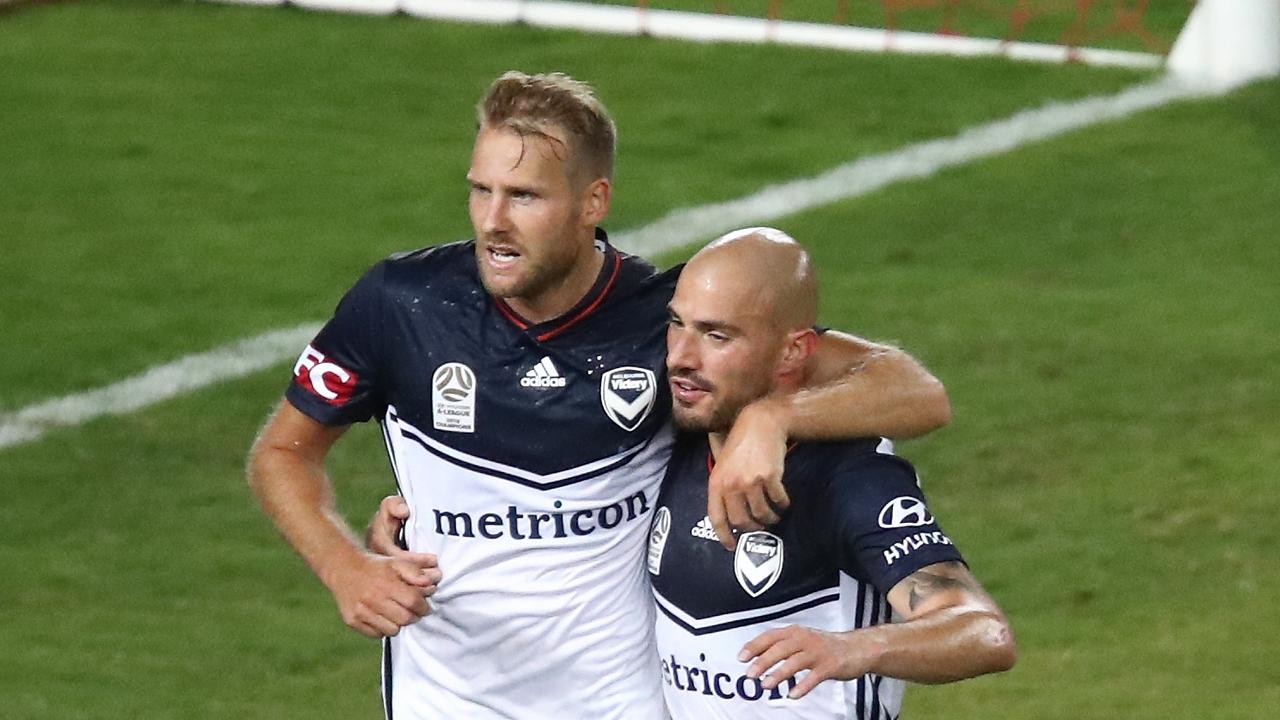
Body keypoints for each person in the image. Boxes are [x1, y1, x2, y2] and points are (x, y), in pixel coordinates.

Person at [248, 71, 951, 720]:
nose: (493, 221)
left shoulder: (665, 321)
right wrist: (344, 565)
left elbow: (915, 391)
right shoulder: (402, 306)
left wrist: (773, 415)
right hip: (445, 698)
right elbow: (283, 452)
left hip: (617, 702)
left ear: (594, 202)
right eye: (480, 189)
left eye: (524, 196)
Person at [647, 227, 1015, 719]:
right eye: (677, 324)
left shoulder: (851, 478)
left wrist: (854, 649)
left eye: (718, 336)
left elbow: (983, 632)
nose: (681, 357)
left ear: (792, 353)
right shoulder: (678, 433)